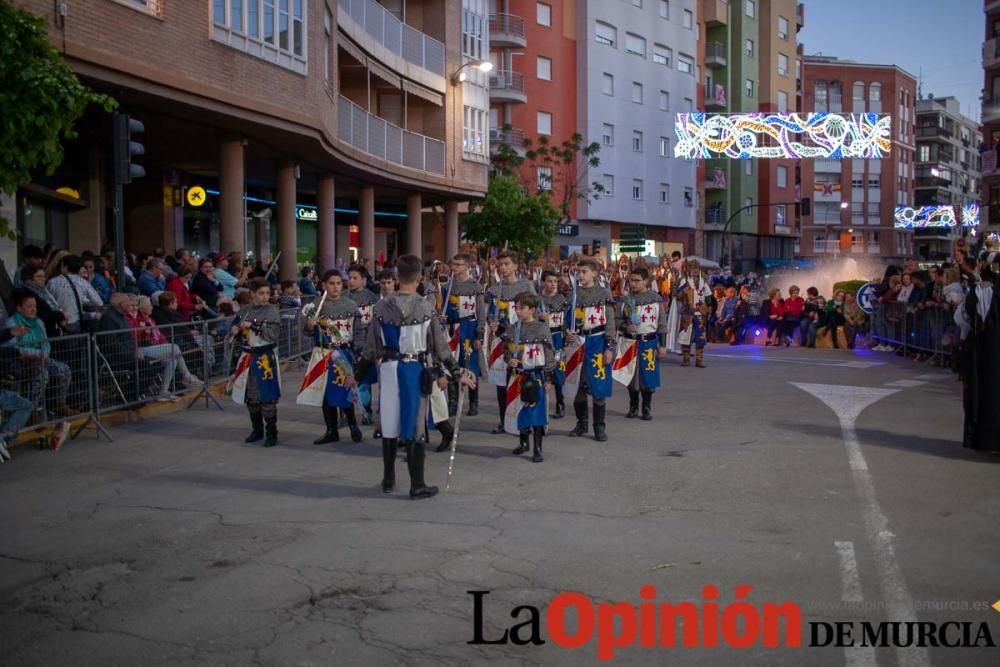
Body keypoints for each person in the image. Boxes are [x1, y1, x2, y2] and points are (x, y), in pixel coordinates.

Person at [349, 254, 476, 498]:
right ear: (419, 278)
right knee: (416, 424)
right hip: (413, 370)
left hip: (388, 369)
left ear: (397, 277)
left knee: (389, 422)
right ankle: (417, 484)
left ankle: (388, 479)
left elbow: (370, 349)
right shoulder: (426, 308)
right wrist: (457, 372)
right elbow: (440, 347)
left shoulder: (380, 307)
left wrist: (357, 375)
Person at [300, 270, 363, 444]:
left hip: (343, 353)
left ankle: (353, 425)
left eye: (338, 283)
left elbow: (358, 332)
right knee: (326, 395)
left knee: (346, 391)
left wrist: (359, 353)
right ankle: (331, 430)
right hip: (322, 354)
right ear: (324, 285)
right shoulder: (315, 306)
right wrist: (309, 325)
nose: (336, 287)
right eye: (331, 283)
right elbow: (305, 332)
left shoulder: (350, 305)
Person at [565, 258, 615, 441]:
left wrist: (610, 347)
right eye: (579, 272)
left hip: (597, 342)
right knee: (577, 385)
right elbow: (565, 320)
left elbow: (610, 323)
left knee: (598, 387)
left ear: (595, 273)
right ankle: (582, 423)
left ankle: (599, 427)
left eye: (584, 272)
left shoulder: (603, 294)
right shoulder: (573, 295)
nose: (581, 275)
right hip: (578, 344)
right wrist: (566, 333)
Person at [486, 252, 536, 434]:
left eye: (507, 264)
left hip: (522, 339)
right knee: (502, 383)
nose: (503, 267)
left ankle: (524, 421)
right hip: (501, 340)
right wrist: (492, 323)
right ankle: (503, 420)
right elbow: (490, 312)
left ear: (515, 266)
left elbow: (535, 310)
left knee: (522, 379)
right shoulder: (494, 289)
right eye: (500, 264)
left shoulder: (526, 286)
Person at [229, 279, 282, 447]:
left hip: (264, 357)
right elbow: (234, 330)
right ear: (252, 294)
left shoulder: (272, 311)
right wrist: (235, 330)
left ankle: (271, 432)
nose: (265, 297)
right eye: (261, 293)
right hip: (247, 357)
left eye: (267, 293)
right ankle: (257, 429)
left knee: (267, 397)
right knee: (250, 397)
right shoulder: (244, 310)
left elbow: (273, 335)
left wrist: (253, 325)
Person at [4, 288, 73, 416]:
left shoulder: (39, 322)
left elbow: (45, 342)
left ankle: (58, 403)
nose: (33, 309)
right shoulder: (12, 323)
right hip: (21, 360)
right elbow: (13, 347)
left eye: (34, 306)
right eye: (29, 306)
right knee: (41, 374)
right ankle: (30, 410)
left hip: (41, 357)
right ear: (19, 308)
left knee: (64, 369)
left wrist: (45, 353)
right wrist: (35, 354)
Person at [504, 293, 556, 462]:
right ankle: (523, 441)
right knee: (520, 410)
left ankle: (538, 447)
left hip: (536, 376)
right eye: (516, 307)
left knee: (537, 413)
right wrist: (509, 359)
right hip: (518, 376)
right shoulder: (513, 328)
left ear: (532, 309)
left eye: (522, 308)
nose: (518, 311)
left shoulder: (541, 328)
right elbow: (506, 350)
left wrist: (548, 378)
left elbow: (549, 354)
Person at [618, 267, 667, 421]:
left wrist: (663, 345)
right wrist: (626, 326)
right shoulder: (626, 301)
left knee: (648, 376)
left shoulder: (656, 300)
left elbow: (662, 323)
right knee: (631, 376)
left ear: (646, 281)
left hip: (649, 342)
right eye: (631, 280)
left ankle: (646, 408)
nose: (633, 284)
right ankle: (633, 406)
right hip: (630, 342)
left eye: (637, 281)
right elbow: (617, 321)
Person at [443, 253, 486, 417]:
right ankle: (452, 402)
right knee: (452, 363)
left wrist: (479, 335)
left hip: (470, 327)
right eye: (453, 265)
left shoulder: (475, 286)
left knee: (470, 365)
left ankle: (473, 402)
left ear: (467, 266)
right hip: (454, 329)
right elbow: (445, 309)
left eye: (458, 265)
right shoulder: (448, 285)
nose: (454, 268)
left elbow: (481, 312)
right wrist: (443, 318)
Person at [347, 264, 379, 423]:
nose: (351, 281)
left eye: (355, 278)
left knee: (364, 378)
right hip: (348, 342)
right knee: (346, 377)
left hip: (367, 344)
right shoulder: (344, 298)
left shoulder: (372, 298)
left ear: (363, 280)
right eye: (349, 278)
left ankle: (366, 411)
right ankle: (346, 413)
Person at [47, 255, 104, 334]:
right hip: (78, 322)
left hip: (60, 323)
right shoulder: (82, 281)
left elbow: (48, 301)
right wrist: (82, 300)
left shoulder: (52, 282)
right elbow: (99, 302)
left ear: (64, 266)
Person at [539, 270, 569, 419]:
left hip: (557, 337)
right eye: (549, 281)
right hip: (542, 338)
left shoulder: (562, 299)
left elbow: (566, 321)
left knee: (558, 371)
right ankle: (539, 404)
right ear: (544, 282)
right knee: (542, 371)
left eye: (555, 282)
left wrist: (566, 340)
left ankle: (560, 403)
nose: (552, 284)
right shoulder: (538, 300)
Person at [675, 259, 712, 367]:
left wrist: (709, 307)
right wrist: (683, 292)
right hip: (688, 313)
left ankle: (699, 360)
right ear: (689, 269)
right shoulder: (684, 281)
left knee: (700, 337)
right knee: (685, 336)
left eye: (697, 268)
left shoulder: (703, 281)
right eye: (693, 268)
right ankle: (686, 359)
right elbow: (677, 296)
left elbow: (708, 296)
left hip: (701, 313)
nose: (695, 270)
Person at [21, 266, 66, 337]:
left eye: (44, 276)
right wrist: (59, 315)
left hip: (51, 329)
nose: (42, 279)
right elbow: (40, 314)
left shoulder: (43, 291)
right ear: (29, 278)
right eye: (39, 276)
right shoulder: (27, 293)